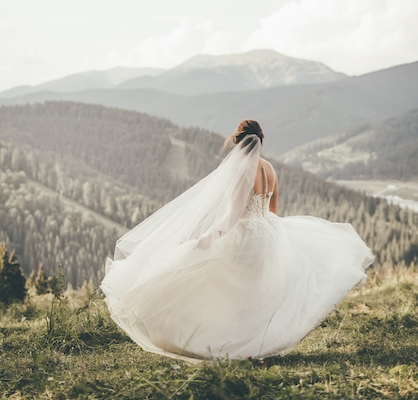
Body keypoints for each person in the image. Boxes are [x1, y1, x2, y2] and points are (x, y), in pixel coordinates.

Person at [101, 120, 374, 362]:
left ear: (238, 144)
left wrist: (211, 236)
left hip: (244, 238)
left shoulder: (242, 171)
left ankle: (226, 343)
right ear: (260, 140)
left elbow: (233, 216)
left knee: (225, 291)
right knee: (254, 294)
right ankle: (254, 345)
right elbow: (273, 210)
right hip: (268, 235)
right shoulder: (270, 170)